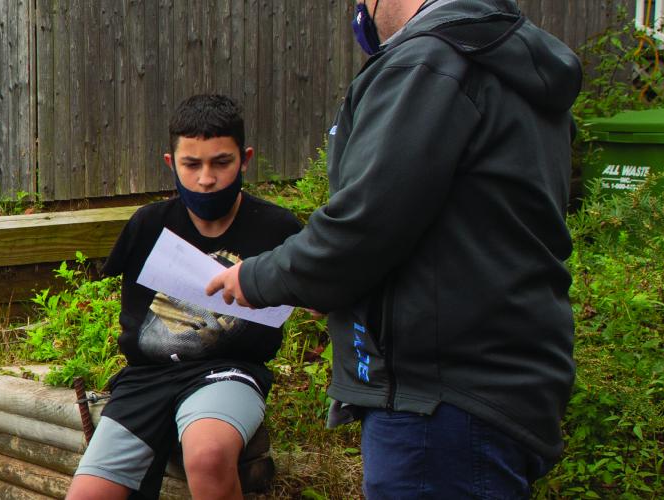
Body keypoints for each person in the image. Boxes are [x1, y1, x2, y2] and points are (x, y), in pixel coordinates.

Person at [204, 0, 580, 497]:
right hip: (498, 385)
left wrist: (256, 279)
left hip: (437, 400)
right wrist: (333, 283)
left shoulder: (427, 63)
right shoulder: (502, 60)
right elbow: (459, 226)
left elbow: (365, 224)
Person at [66, 95, 302, 500]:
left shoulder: (277, 228)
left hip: (229, 372)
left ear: (244, 159)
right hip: (147, 379)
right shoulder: (148, 224)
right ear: (170, 163)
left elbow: (318, 293)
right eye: (191, 165)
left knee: (207, 454)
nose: (206, 179)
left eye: (220, 162)